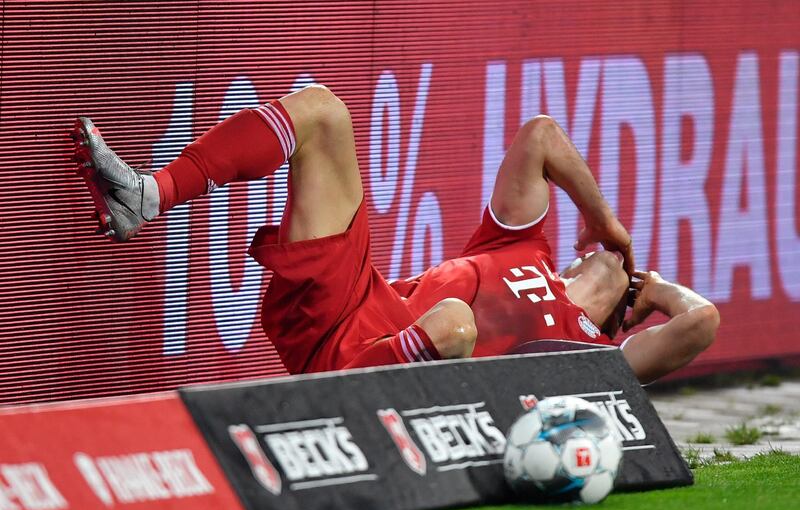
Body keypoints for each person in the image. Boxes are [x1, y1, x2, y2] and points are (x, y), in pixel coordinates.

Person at [73, 84, 719, 384]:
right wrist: (604, 220)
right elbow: (542, 136)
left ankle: (333, 408)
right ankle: (145, 195)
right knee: (325, 112)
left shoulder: (582, 360)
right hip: (350, 303)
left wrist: (658, 288)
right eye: (603, 255)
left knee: (453, 327)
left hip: (368, 365)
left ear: (621, 315)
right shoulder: (526, 251)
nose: (606, 259)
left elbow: (702, 323)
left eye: (623, 275)